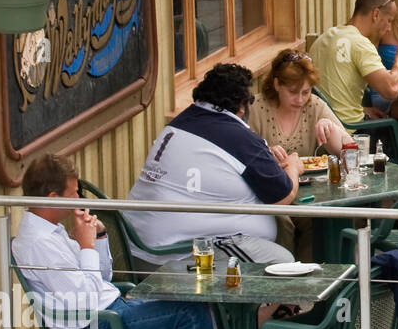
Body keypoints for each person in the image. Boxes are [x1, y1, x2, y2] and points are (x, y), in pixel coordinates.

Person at [14, 154, 239, 329]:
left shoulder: (52, 230)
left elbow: (102, 278)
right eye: (73, 193)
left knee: (191, 300)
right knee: (189, 313)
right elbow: (83, 301)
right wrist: (84, 247)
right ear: (52, 196)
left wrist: (99, 237)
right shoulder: (37, 243)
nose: (78, 198)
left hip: (111, 310)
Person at [126, 63, 299, 267]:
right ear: (242, 106)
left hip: (139, 247)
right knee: (282, 262)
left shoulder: (178, 124)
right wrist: (294, 167)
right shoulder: (237, 136)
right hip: (176, 254)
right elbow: (283, 195)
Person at [250, 48, 352, 259]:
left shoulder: (314, 106)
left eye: (305, 92)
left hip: (309, 193)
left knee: (319, 220)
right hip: (270, 193)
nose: (300, 99)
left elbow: (350, 150)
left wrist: (331, 129)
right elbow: (243, 154)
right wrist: (265, 152)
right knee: (282, 221)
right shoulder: (256, 108)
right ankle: (284, 276)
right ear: (277, 84)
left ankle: (311, 276)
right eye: (293, 92)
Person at [310, 0, 398, 142]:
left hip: (323, 129)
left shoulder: (325, 38)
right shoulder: (360, 44)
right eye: (389, 21)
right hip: (352, 133)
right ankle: (384, 167)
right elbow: (391, 90)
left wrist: (362, 110)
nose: (388, 29)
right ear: (376, 14)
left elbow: (333, 92)